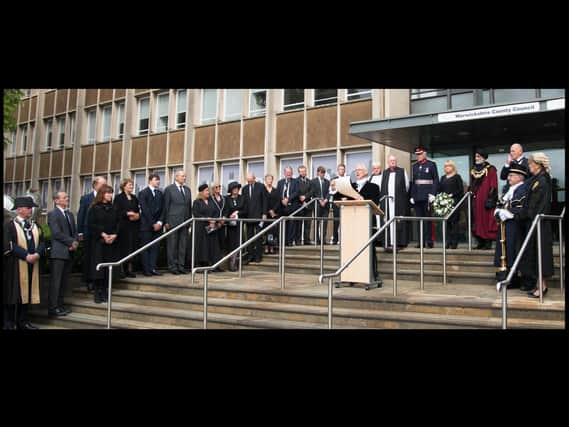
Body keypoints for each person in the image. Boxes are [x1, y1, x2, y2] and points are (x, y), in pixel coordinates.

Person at [515, 153, 554, 298]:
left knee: (540, 254)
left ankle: (542, 286)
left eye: (531, 164)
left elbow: (537, 204)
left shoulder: (543, 180)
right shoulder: (536, 179)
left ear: (538, 165)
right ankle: (540, 285)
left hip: (539, 223)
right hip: (533, 222)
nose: (529, 166)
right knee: (535, 254)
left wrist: (526, 215)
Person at [3, 196, 45, 329]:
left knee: (27, 293)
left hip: (32, 264)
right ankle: (9, 322)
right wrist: (26, 255)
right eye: (29, 208)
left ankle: (23, 321)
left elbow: (43, 241)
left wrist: (37, 253)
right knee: (13, 294)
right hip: (15, 265)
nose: (31, 210)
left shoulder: (35, 225)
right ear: (20, 210)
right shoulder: (9, 226)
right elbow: (9, 244)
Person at [345, 164, 383, 286]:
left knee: (369, 247)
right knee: (353, 247)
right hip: (352, 220)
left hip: (366, 220)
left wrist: (361, 198)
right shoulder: (351, 186)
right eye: (356, 170)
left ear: (366, 172)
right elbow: (339, 197)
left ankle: (373, 273)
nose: (357, 172)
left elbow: (375, 202)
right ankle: (352, 274)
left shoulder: (374, 186)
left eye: (360, 170)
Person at [493, 164, 528, 287]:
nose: (509, 178)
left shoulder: (523, 188)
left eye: (511, 175)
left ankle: (514, 278)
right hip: (506, 225)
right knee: (506, 250)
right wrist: (498, 211)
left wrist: (507, 212)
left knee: (513, 249)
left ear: (520, 177)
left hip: (515, 225)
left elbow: (519, 207)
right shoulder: (510, 188)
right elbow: (501, 202)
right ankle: (507, 275)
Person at [47, 191, 78, 316]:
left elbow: (74, 230)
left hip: (69, 252)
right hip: (59, 252)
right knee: (56, 281)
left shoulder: (69, 214)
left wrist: (75, 242)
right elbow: (56, 233)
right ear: (56, 200)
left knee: (64, 281)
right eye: (64, 197)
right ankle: (53, 307)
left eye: (67, 197)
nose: (67, 199)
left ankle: (60, 305)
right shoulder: (53, 214)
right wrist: (71, 242)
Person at [86, 185, 119, 304]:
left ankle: (105, 292)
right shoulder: (95, 208)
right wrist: (103, 234)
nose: (110, 195)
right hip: (99, 242)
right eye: (107, 193)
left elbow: (117, 223)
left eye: (111, 193)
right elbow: (91, 224)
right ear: (102, 194)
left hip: (111, 242)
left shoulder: (114, 207)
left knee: (107, 269)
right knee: (98, 268)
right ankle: (97, 292)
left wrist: (114, 234)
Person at [77, 176, 107, 291]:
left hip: (100, 234)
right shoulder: (86, 198)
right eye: (102, 184)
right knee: (88, 257)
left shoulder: (106, 198)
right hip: (88, 232)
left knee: (98, 258)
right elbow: (81, 215)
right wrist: (80, 232)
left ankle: (97, 280)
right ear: (95, 185)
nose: (104, 186)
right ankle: (88, 280)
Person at [163, 170, 192, 274]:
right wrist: (166, 221)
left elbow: (189, 206)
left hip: (184, 221)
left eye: (185, 176)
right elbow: (166, 206)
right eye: (182, 176)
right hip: (173, 220)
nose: (184, 178)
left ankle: (181, 266)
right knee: (172, 245)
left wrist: (189, 220)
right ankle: (172, 266)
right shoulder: (169, 189)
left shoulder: (187, 190)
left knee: (182, 245)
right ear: (176, 177)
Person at [469, 148, 498, 250]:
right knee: (476, 220)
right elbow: (472, 185)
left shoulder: (491, 169)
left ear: (484, 157)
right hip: (476, 199)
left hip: (485, 198)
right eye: (476, 156)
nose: (476, 158)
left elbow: (493, 185)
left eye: (478, 156)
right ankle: (480, 241)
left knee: (485, 220)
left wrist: (491, 198)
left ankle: (487, 242)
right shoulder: (473, 169)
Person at [410, 147, 439, 248]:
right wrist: (412, 195)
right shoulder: (414, 166)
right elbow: (414, 182)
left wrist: (433, 194)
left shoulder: (431, 164)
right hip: (417, 196)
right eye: (417, 154)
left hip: (427, 196)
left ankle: (429, 241)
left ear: (425, 154)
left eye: (420, 154)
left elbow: (435, 180)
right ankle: (421, 242)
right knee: (419, 220)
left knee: (428, 220)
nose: (418, 156)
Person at [380, 155, 410, 251]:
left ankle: (399, 242)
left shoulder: (402, 171)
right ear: (388, 162)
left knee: (398, 221)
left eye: (394, 160)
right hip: (388, 202)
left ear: (396, 161)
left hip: (399, 201)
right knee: (388, 220)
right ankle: (389, 242)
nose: (392, 162)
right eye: (391, 161)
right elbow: (382, 186)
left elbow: (407, 186)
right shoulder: (385, 173)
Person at [113, 178, 141, 278]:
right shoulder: (118, 198)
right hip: (123, 227)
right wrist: (127, 213)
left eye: (132, 185)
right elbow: (116, 211)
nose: (131, 187)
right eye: (129, 185)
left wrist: (137, 215)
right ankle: (122, 270)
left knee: (132, 248)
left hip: (133, 227)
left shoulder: (134, 198)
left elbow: (138, 210)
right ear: (124, 186)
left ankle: (129, 269)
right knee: (124, 248)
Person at [138, 174, 164, 277]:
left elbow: (163, 209)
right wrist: (153, 223)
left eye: (159, 180)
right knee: (146, 248)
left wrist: (160, 222)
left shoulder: (160, 193)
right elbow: (145, 209)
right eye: (156, 180)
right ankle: (146, 269)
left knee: (155, 248)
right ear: (150, 181)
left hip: (157, 226)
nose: (158, 182)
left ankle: (153, 268)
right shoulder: (143, 193)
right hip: (146, 226)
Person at [193, 184, 223, 271]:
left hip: (212, 227)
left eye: (208, 191)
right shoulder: (197, 202)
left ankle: (215, 265)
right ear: (201, 192)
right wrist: (208, 220)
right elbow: (196, 214)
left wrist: (214, 221)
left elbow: (216, 212)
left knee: (214, 246)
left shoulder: (211, 201)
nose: (208, 192)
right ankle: (202, 265)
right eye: (206, 191)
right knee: (203, 247)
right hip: (201, 227)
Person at [438, 160, 464, 249]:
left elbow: (460, 190)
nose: (447, 168)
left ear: (453, 167)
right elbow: (439, 189)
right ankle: (448, 242)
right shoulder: (442, 178)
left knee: (454, 223)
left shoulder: (457, 177)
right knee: (447, 222)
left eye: (449, 166)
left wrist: (452, 195)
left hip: (454, 202)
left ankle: (454, 242)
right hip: (445, 203)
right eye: (445, 166)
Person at [242, 173, 265, 263]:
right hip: (249, 217)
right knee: (249, 237)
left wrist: (264, 213)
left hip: (259, 215)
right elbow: (244, 203)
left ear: (254, 178)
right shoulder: (244, 189)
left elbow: (264, 200)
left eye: (251, 180)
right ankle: (250, 255)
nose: (249, 182)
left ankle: (258, 256)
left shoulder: (261, 186)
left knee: (258, 236)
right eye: (248, 181)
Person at [223, 181, 247, 271]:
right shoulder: (226, 198)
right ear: (231, 190)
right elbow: (225, 210)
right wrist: (229, 216)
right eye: (234, 188)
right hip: (230, 225)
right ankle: (231, 262)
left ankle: (235, 263)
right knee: (231, 243)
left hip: (239, 224)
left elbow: (245, 210)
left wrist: (237, 213)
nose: (236, 190)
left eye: (237, 188)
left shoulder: (242, 198)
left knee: (238, 243)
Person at [276, 166, 299, 246]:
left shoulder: (296, 181)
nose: (288, 174)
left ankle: (289, 241)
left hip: (291, 206)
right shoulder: (280, 182)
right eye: (287, 173)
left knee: (291, 224)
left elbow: (296, 192)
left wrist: (288, 199)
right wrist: (282, 200)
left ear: (292, 173)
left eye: (290, 173)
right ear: (284, 173)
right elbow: (278, 193)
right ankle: (282, 241)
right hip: (282, 207)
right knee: (282, 224)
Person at [310, 166, 330, 244]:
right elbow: (313, 192)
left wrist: (325, 200)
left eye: (324, 173)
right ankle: (316, 239)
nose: (322, 174)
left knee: (325, 222)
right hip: (317, 204)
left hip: (326, 205)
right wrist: (319, 200)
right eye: (321, 172)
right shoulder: (313, 181)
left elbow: (329, 192)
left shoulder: (327, 182)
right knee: (317, 222)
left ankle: (323, 239)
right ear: (318, 172)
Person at [295, 165, 313, 245]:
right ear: (299, 172)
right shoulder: (295, 181)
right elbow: (296, 191)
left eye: (304, 171)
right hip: (299, 205)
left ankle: (307, 240)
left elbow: (312, 191)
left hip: (308, 205)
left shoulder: (310, 181)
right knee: (298, 224)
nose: (303, 173)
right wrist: (301, 199)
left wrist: (305, 197)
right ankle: (298, 240)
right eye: (301, 171)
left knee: (308, 224)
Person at [262, 174, 280, 254]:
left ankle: (271, 247)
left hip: (273, 214)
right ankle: (266, 247)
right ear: (265, 180)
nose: (269, 180)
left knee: (272, 231)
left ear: (272, 180)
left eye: (270, 179)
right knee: (266, 231)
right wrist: (268, 210)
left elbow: (278, 201)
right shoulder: (262, 190)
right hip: (265, 214)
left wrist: (273, 210)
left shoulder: (275, 190)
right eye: (268, 179)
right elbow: (262, 202)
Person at [209, 182, 226, 255]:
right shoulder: (210, 199)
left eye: (219, 186)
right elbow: (210, 210)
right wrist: (216, 221)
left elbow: (226, 209)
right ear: (212, 189)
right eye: (216, 187)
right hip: (214, 223)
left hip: (222, 224)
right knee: (214, 242)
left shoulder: (224, 198)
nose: (218, 188)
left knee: (222, 241)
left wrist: (224, 218)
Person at [328, 179, 343, 244]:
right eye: (331, 185)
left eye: (333, 185)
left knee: (340, 225)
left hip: (339, 210)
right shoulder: (329, 192)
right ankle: (335, 239)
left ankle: (340, 239)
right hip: (332, 211)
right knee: (335, 225)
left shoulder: (339, 192)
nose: (332, 186)